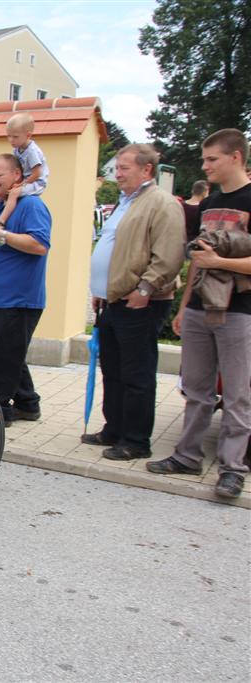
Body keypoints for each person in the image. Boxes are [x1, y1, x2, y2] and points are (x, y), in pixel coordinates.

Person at [147, 129, 251, 499]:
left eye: (212, 159)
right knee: (197, 390)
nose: (204, 166)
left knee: (237, 394)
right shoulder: (210, 204)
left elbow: (216, 259)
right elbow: (197, 261)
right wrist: (185, 304)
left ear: (235, 157)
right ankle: (187, 456)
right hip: (198, 309)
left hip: (238, 311)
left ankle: (233, 469)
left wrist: (219, 260)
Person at [84, 144, 185, 460]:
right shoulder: (127, 202)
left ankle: (137, 441)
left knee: (137, 374)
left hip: (139, 303)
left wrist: (144, 290)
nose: (118, 173)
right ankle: (114, 429)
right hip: (113, 301)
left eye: (125, 167)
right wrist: (102, 289)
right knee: (112, 369)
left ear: (147, 170)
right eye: (118, 167)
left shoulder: (161, 204)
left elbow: (168, 256)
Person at [0, 154, 51, 424]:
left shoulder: (31, 206)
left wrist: (1, 235)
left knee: (4, 359)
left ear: (17, 175)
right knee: (10, 353)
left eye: (0, 174)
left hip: (19, 298)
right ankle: (28, 403)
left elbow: (40, 245)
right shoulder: (1, 207)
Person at [0, 113, 49, 227]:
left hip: (36, 182)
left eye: (15, 137)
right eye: (9, 136)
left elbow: (37, 173)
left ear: (28, 135)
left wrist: (21, 184)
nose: (11, 140)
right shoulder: (17, 149)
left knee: (13, 193)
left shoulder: (32, 151)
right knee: (3, 192)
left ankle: (2, 219)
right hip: (26, 179)